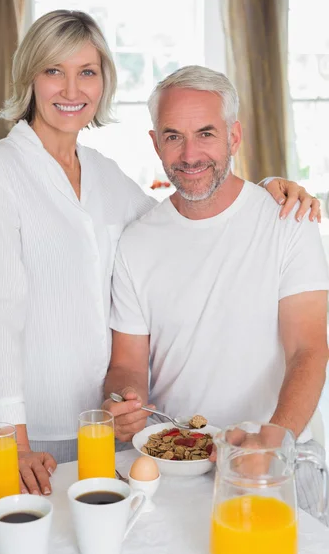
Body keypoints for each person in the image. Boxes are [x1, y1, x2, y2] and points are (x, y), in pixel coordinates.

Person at [0, 10, 318, 497]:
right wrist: (12, 440)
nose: (71, 90)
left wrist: (263, 194)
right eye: (54, 71)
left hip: (106, 426)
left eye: (86, 72)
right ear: (30, 76)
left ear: (103, 82)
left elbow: (186, 206)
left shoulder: (102, 172)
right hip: (34, 426)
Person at [103, 66, 329, 523]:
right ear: (154, 142)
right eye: (173, 136)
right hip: (176, 461)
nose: (190, 154)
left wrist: (273, 439)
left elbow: (309, 349)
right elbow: (127, 362)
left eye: (206, 133)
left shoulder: (289, 221)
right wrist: (122, 400)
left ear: (234, 135)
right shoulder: (136, 241)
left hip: (280, 457)